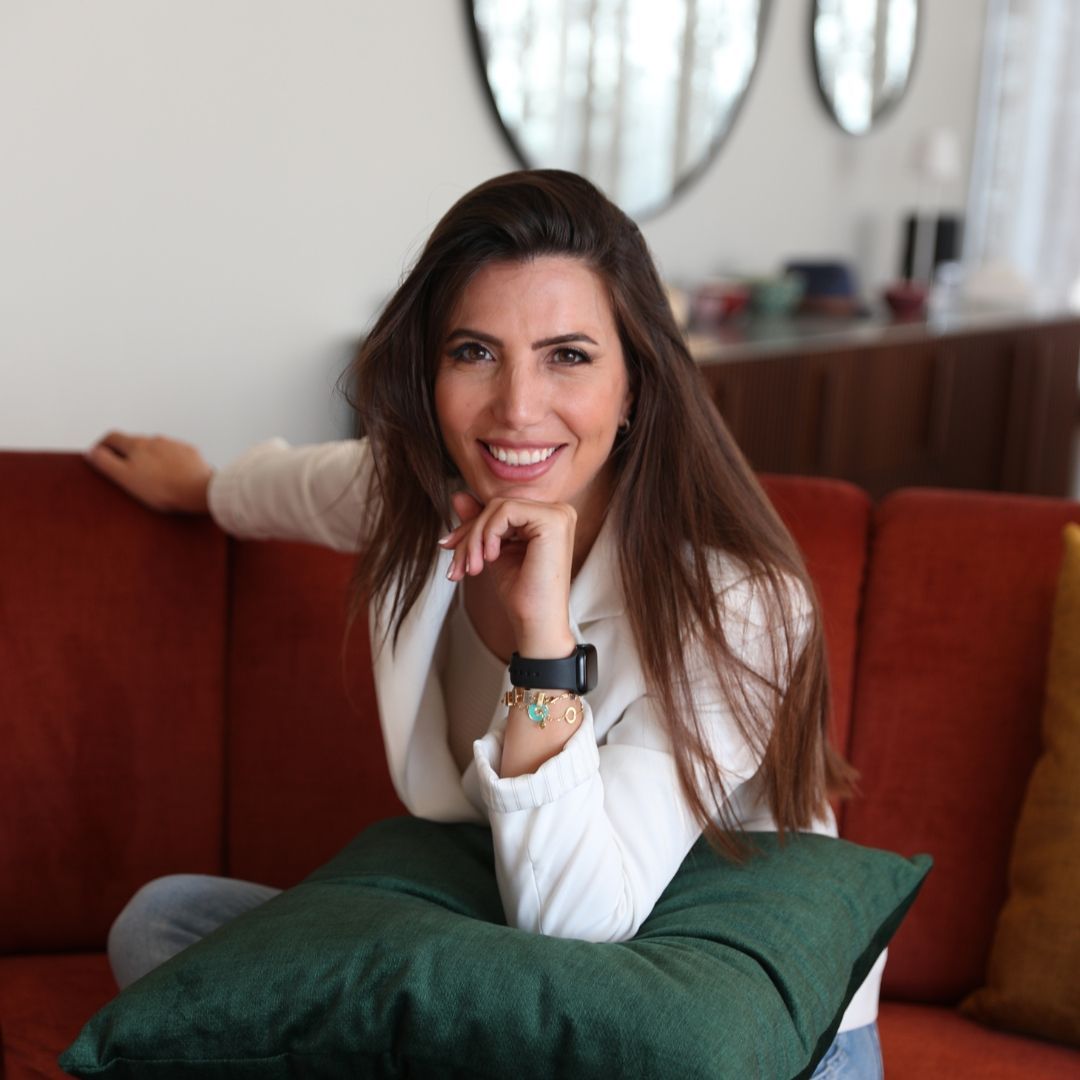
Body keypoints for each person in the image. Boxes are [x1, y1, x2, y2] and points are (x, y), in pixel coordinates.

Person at [88, 169, 884, 1078]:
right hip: (510, 940)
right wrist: (202, 489)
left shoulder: (736, 598)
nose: (515, 408)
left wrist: (543, 643)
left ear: (634, 386)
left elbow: (587, 920)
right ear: (429, 373)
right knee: (163, 928)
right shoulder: (413, 499)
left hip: (724, 1019)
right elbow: (299, 487)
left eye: (568, 356)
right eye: (475, 352)